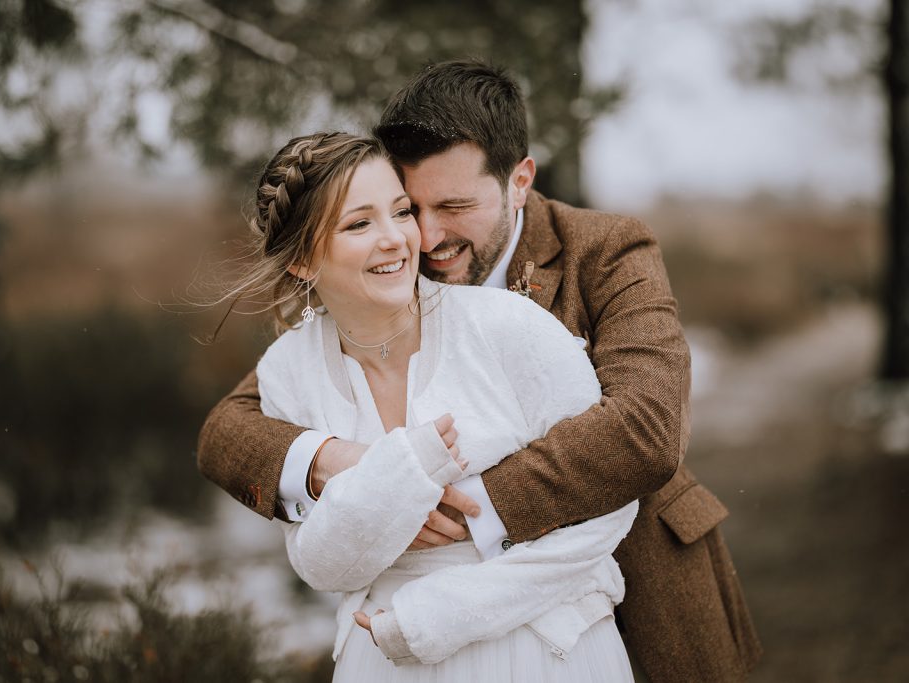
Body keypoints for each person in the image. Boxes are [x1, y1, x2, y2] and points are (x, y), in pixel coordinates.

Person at [199, 60, 762, 681]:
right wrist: (338, 461)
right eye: (411, 207)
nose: (427, 237)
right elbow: (230, 429)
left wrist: (466, 510)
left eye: (455, 206)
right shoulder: (375, 301)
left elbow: (645, 429)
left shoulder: (606, 251)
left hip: (641, 578)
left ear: (519, 181)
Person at [236, 130, 639, 680]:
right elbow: (319, 562)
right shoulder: (286, 370)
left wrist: (439, 615)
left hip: (541, 648)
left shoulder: (507, 326)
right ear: (303, 262)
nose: (399, 239)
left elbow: (609, 505)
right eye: (359, 223)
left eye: (400, 212)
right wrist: (402, 471)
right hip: (382, 656)